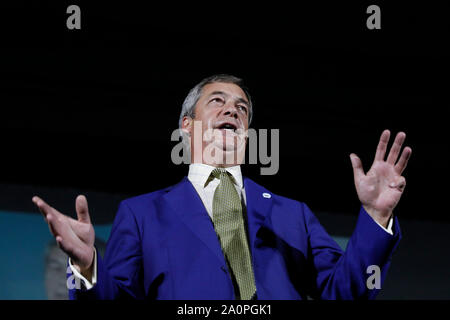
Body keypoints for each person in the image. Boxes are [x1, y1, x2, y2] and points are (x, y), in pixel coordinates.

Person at [33, 74, 412, 300]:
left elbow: (346, 292)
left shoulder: (292, 213)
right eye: (218, 101)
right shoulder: (142, 213)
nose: (232, 110)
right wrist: (87, 268)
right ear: (186, 125)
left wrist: (376, 215)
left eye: (242, 108)